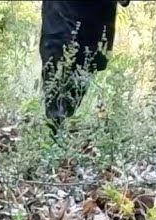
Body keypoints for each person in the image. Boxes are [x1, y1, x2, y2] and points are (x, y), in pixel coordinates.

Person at [39, 0, 128, 131]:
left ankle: (59, 126)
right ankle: (55, 127)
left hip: (96, 20)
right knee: (58, 58)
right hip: (61, 12)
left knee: (86, 65)